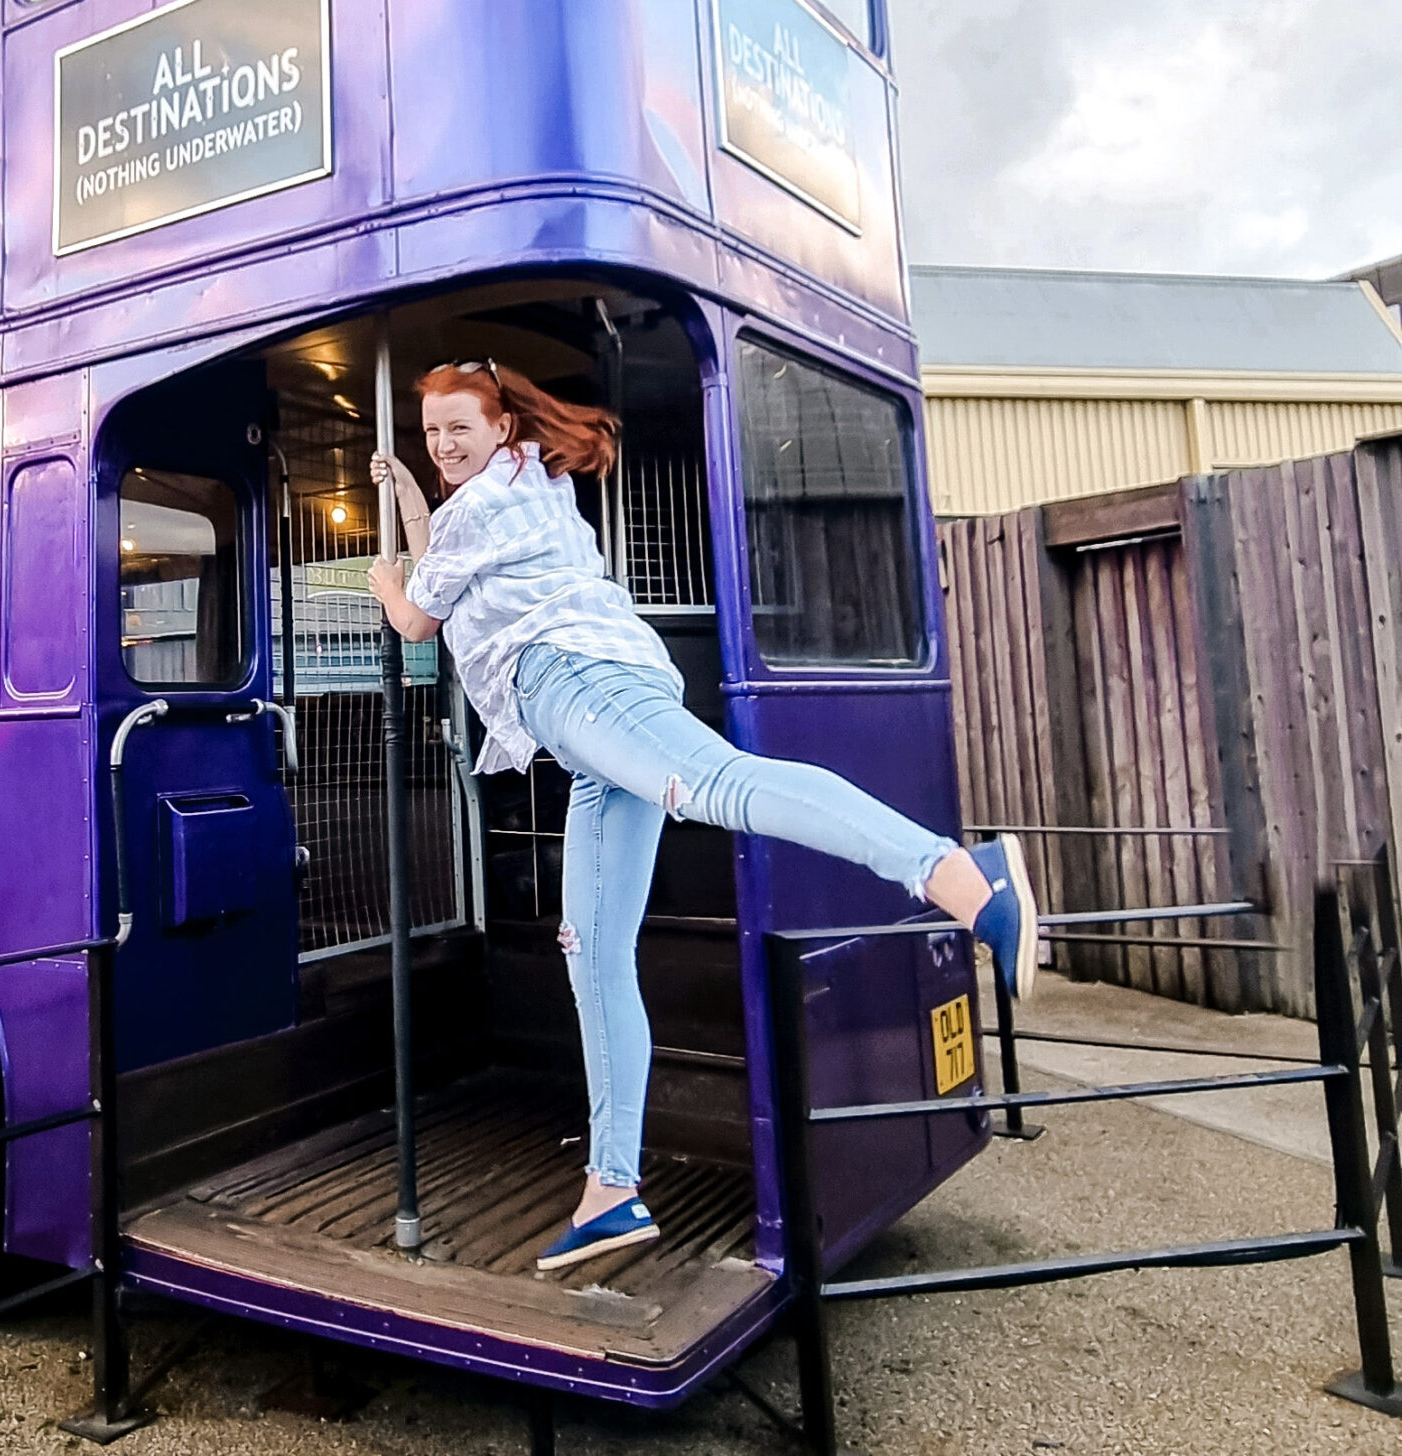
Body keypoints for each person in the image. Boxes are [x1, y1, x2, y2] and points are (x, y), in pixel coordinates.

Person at [367, 358, 1035, 1276]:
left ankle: (959, 873)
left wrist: (382, 580)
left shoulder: (484, 506)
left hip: (578, 683)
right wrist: (408, 493)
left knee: (719, 785)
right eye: (431, 430)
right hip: (596, 702)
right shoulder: (532, 478)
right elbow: (443, 550)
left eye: (458, 429)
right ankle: (611, 1190)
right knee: (594, 951)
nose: (444, 445)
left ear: (500, 427)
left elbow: (415, 618)